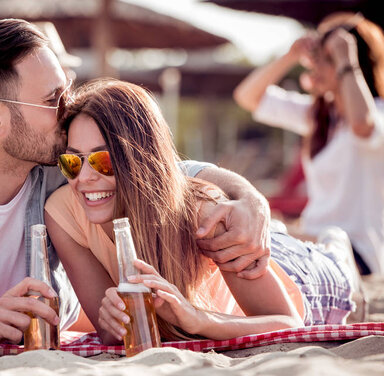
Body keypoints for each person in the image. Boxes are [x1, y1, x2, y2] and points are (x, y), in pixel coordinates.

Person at [0, 19, 272, 356]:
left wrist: (248, 197)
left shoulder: (62, 157)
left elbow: (158, 166)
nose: (68, 107)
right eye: (53, 98)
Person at [45, 79, 356, 344]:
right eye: (72, 162)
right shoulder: (63, 214)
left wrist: (196, 319)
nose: (84, 177)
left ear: (138, 160)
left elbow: (288, 322)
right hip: (249, 268)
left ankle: (336, 245)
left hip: (303, 283)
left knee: (339, 269)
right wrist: (112, 319)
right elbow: (114, 334)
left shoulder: (204, 214)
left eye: (103, 161)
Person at [233, 12, 384, 276]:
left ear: (351, 63)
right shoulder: (319, 117)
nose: (314, 66)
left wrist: (346, 59)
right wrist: (290, 56)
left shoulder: (376, 113)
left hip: (356, 254)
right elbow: (247, 97)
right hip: (317, 245)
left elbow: (363, 124)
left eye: (327, 59)